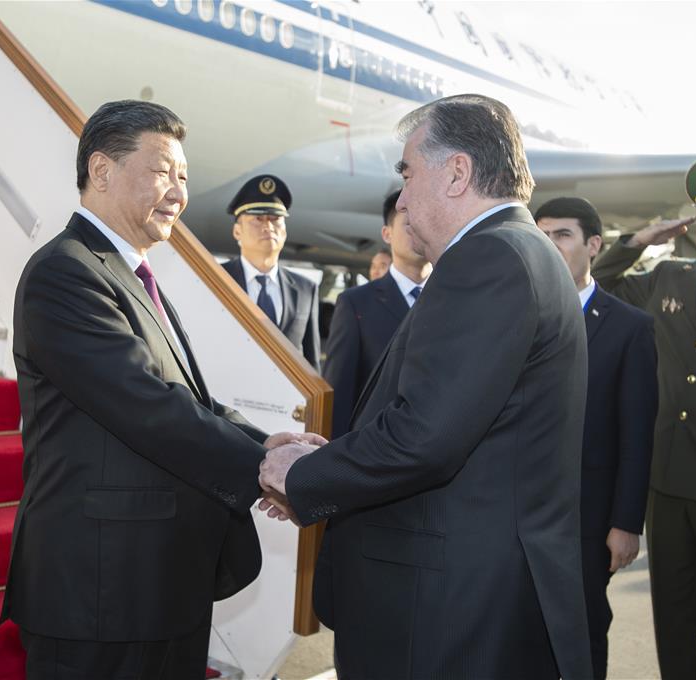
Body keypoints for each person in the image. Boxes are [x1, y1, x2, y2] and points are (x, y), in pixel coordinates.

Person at [259, 94, 592, 679]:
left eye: (409, 174)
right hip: (472, 597)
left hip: (449, 614)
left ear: (457, 172)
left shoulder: (490, 258)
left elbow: (425, 437)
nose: (404, 198)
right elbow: (453, 421)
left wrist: (300, 475)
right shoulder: (523, 252)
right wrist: (336, 455)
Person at [0, 100, 322, 680]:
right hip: (100, 591)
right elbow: (146, 406)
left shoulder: (131, 273)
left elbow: (186, 398)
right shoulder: (65, 273)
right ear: (102, 171)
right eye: (162, 171)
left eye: (184, 178)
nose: (178, 192)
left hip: (158, 579)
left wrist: (266, 443)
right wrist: (265, 468)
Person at [592, 152, 696, 680]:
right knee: (674, 622)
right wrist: (637, 242)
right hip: (668, 485)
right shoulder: (667, 279)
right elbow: (600, 286)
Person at [535, 196, 658, 679]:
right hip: (516, 512)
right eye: (540, 237)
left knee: (582, 632)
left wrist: (626, 523)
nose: (549, 246)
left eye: (561, 235)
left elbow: (636, 432)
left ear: (593, 245)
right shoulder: (516, 317)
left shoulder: (630, 328)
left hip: (586, 520)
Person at [324, 190, 431, 438]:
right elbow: (339, 395)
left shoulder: (453, 298)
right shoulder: (356, 304)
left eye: (426, 220)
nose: (418, 230)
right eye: (408, 223)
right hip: (374, 451)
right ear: (387, 234)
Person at [222, 175, 321, 371]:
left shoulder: (305, 289)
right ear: (237, 232)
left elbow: (312, 360)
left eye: (275, 219)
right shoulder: (217, 279)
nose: (268, 227)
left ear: (284, 231)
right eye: (258, 219)